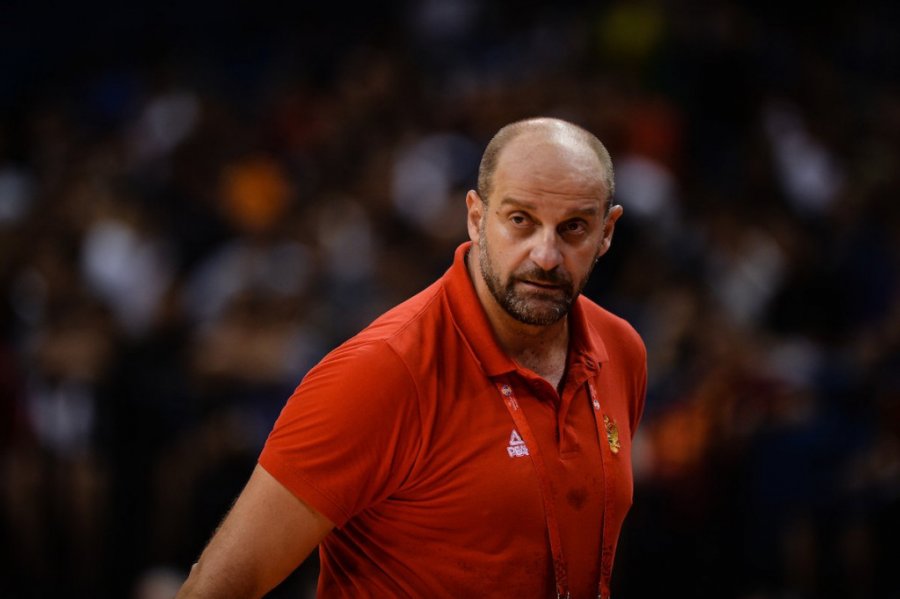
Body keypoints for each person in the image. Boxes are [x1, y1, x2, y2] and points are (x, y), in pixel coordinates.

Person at [176, 117, 646, 599]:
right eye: (520, 220)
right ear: (476, 218)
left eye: (573, 228)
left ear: (606, 232)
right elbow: (214, 588)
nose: (546, 255)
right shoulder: (381, 371)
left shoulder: (621, 350)